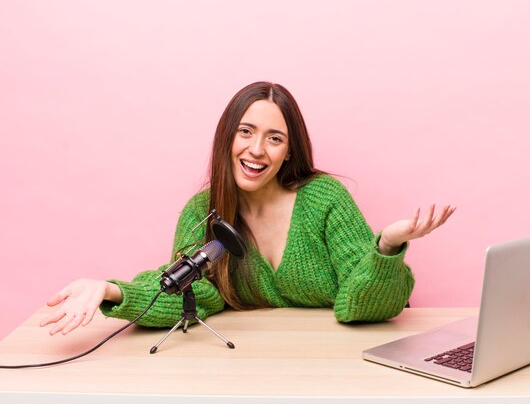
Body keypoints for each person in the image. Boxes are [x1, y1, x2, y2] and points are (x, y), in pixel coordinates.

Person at [40, 81, 455, 336]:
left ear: (289, 151)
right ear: (227, 138)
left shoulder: (325, 198)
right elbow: (192, 295)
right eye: (246, 132)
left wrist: (385, 247)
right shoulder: (203, 211)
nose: (257, 150)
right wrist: (111, 290)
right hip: (255, 370)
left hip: (337, 368)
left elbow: (362, 305)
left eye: (274, 138)